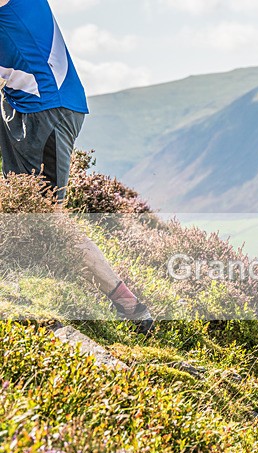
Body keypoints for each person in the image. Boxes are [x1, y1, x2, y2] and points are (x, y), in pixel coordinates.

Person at [0, 0, 152, 334]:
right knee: (17, 207)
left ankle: (129, 305)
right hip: (22, 104)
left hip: (47, 109)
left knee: (48, 219)